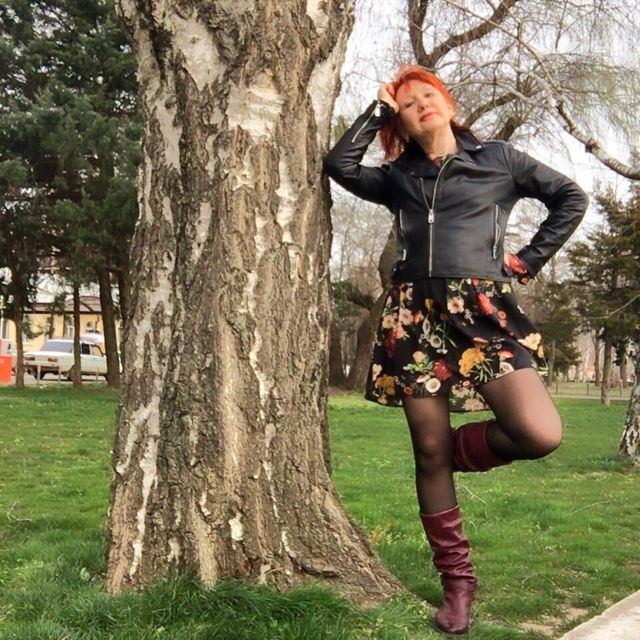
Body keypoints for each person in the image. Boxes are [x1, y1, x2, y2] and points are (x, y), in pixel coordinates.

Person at [323, 64, 588, 635]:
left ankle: (451, 452)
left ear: (447, 102)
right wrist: (377, 109)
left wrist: (527, 260)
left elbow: (571, 197)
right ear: (400, 120)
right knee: (427, 452)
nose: (422, 104)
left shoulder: (498, 159)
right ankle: (458, 584)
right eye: (408, 103)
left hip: (482, 312)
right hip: (415, 317)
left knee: (539, 433)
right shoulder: (398, 177)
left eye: (429, 94)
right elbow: (340, 165)